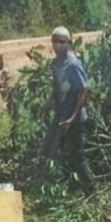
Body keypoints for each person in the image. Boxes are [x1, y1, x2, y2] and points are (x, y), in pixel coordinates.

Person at [44, 26, 96, 195]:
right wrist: (48, 104)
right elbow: (56, 88)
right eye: (55, 42)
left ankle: (92, 193)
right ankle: (69, 188)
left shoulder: (73, 64)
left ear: (69, 43)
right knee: (53, 151)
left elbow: (84, 92)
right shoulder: (56, 63)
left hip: (74, 119)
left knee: (78, 158)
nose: (58, 46)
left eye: (62, 42)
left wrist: (71, 119)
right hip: (61, 116)